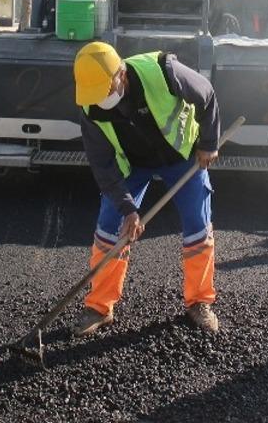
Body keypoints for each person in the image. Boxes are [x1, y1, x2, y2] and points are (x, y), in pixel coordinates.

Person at [72, 41, 222, 337]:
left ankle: (199, 302)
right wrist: (128, 208)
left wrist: (208, 143)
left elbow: (207, 95)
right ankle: (100, 307)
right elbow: (103, 166)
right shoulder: (90, 107)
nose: (100, 99)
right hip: (133, 164)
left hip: (181, 156)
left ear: (121, 74)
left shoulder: (163, 71)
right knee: (109, 228)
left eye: (104, 89)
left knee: (198, 226)